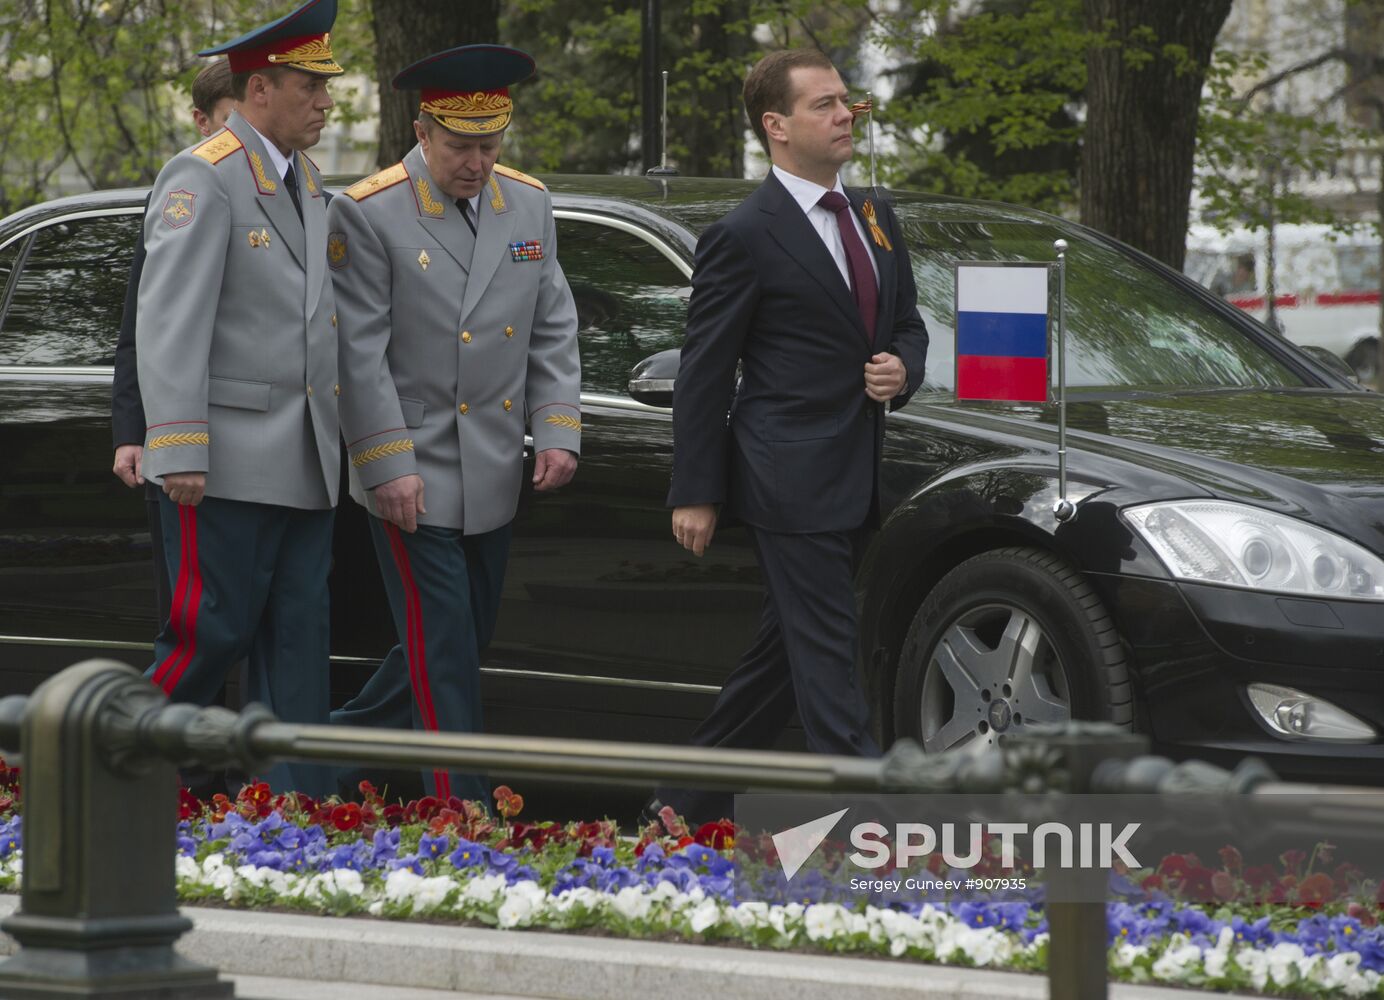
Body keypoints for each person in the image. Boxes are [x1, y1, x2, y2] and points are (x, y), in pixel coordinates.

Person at [661, 49, 930, 822]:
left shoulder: (874, 216)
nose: (846, 115)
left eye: (848, 102)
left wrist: (899, 370)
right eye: (825, 105)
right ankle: (876, 833)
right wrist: (696, 490)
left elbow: (907, 324)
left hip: (858, 474)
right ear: (776, 127)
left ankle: (678, 807)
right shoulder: (744, 234)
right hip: (789, 480)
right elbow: (704, 373)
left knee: (780, 658)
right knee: (828, 661)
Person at [326, 44, 580, 803]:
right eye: (461, 146)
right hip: (414, 461)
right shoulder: (368, 210)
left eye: (490, 146)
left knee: (458, 641)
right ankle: (459, 811)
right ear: (423, 130)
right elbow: (356, 352)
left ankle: (318, 764)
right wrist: (384, 463)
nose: (476, 163)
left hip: (494, 463)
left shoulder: (527, 203)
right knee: (442, 643)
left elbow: (552, 325)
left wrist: (558, 427)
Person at [135, 0, 345, 795]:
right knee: (207, 634)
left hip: (306, 461)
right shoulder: (206, 173)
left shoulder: (307, 180)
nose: (325, 103)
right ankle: (111, 777)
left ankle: (287, 815)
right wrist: (179, 443)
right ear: (261, 90)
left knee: (297, 644)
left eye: (326, 88)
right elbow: (171, 321)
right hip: (222, 460)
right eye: (309, 88)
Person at [112, 58, 236, 628]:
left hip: (248, 446)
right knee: (188, 615)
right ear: (201, 121)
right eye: (232, 124)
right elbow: (146, 324)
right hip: (175, 437)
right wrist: (131, 431)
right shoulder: (182, 190)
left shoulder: (294, 196)